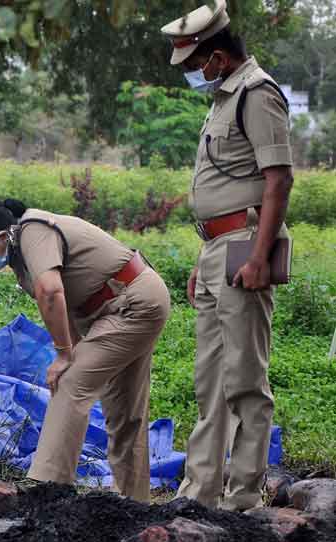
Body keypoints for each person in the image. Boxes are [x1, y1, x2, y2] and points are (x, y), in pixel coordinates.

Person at [161, 0, 294, 511]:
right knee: (209, 380)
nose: (194, 74)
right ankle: (200, 492)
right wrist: (204, 257)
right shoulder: (222, 98)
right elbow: (222, 185)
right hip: (218, 248)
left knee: (244, 379)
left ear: (216, 56)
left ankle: (242, 497)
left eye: (195, 65)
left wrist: (258, 257)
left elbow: (277, 179)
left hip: (245, 246)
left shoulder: (258, 95)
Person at [0, 199, 170, 503]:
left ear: (2, 237)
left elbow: (51, 291)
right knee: (124, 410)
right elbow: (67, 300)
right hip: (113, 308)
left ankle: (46, 493)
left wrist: (63, 355)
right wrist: (70, 347)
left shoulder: (34, 232)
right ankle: (134, 503)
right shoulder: (20, 249)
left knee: (70, 382)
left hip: (132, 304)